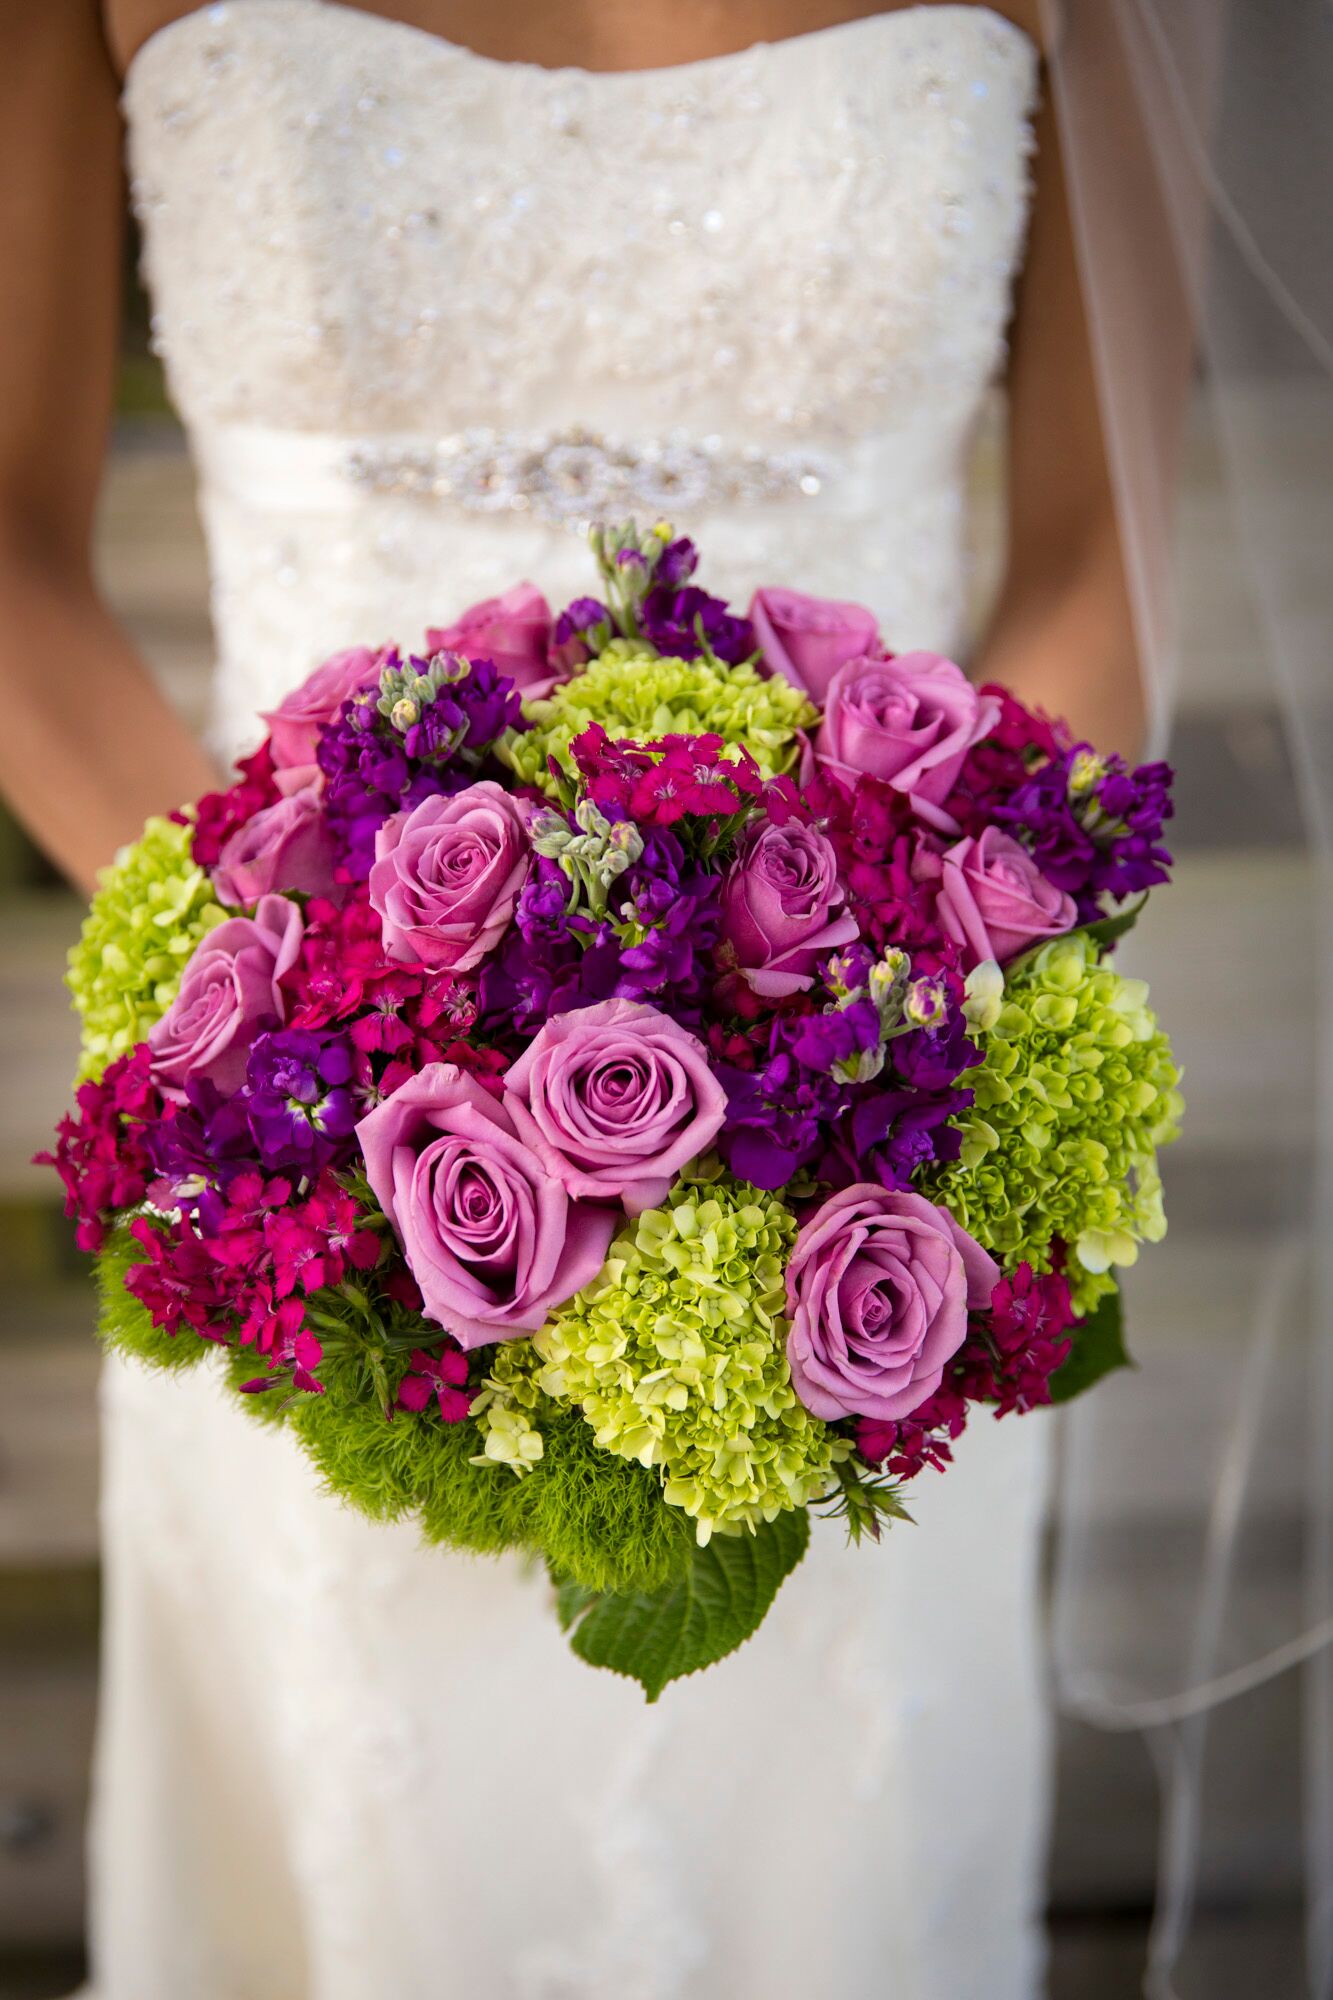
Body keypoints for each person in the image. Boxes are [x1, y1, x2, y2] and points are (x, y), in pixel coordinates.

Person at [0, 4, 1146, 1995]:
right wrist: (267, 1016)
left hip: (872, 1169)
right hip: (308, 1164)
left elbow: (1093, 540)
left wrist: (932, 998)